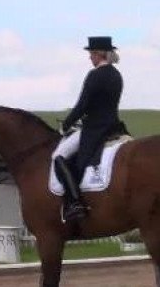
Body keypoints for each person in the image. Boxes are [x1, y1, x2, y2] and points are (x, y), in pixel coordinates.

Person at [52, 36, 126, 223]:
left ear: (98, 54)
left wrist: (65, 125)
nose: (89, 58)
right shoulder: (116, 75)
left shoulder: (95, 75)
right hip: (114, 126)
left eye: (91, 54)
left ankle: (75, 203)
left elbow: (82, 105)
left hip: (94, 129)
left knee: (58, 156)